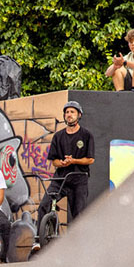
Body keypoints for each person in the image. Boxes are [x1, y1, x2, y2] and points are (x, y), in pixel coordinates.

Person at [36, 101, 95, 243]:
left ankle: (78, 244)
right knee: (44, 205)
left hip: (78, 179)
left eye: (72, 112)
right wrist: (62, 163)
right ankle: (39, 240)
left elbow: (90, 159)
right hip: (61, 179)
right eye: (67, 112)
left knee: (78, 213)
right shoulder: (58, 136)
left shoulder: (86, 135)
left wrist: (74, 161)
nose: (69, 115)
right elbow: (54, 160)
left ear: (79, 115)